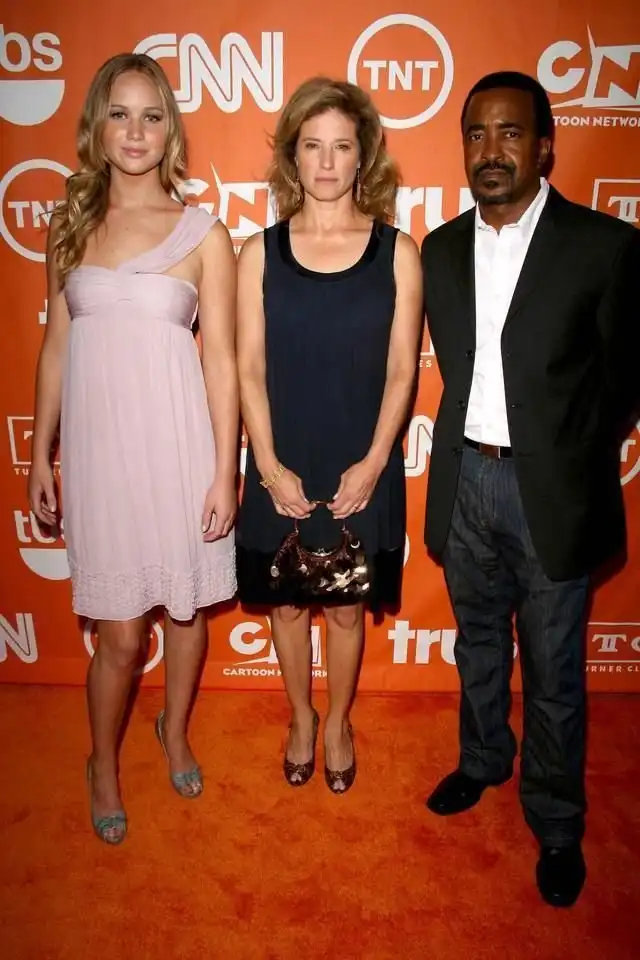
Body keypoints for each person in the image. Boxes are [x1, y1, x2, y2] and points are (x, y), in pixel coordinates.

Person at [421, 71, 640, 906]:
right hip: (464, 481)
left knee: (554, 669)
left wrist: (568, 453)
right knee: (477, 643)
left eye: (510, 133)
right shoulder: (440, 248)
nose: (491, 150)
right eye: (476, 134)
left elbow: (624, 378)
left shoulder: (603, 246)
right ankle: (483, 760)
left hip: (551, 491)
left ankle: (555, 822)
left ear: (545, 146)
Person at [28, 53, 238, 844]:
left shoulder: (205, 233)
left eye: (151, 115)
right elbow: (56, 348)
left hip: (180, 447)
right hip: (101, 454)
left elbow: (222, 361)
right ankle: (102, 764)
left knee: (185, 613)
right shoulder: (69, 227)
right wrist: (39, 453)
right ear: (97, 126)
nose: (136, 131)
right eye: (120, 114)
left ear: (169, 129)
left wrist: (224, 472)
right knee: (119, 635)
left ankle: (174, 731)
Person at [236, 77, 422, 794]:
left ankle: (339, 722)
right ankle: (301, 717)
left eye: (341, 147)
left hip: (360, 459)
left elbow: (402, 369)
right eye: (312, 146)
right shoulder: (259, 253)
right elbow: (248, 369)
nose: (326, 162)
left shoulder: (397, 252)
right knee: (285, 604)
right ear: (293, 156)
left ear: (362, 156)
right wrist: (268, 466)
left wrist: (373, 463)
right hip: (280, 458)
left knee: (346, 607)